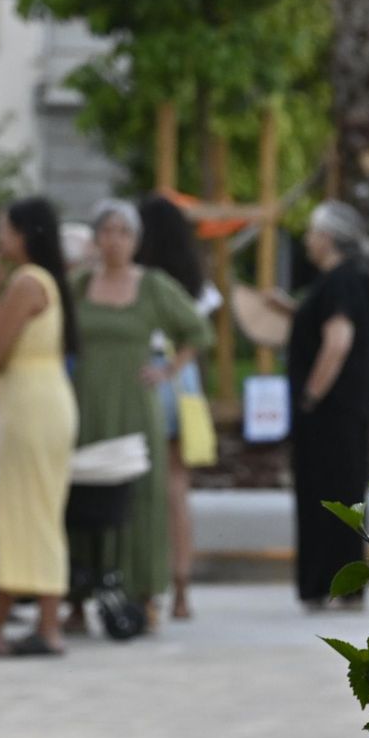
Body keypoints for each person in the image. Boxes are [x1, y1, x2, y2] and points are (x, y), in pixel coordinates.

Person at [71, 199, 209, 631]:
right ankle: (77, 597)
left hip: (135, 402)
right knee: (82, 495)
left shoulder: (152, 286)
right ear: (96, 238)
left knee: (143, 497)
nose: (114, 241)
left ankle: (145, 592)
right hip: (87, 403)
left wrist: (168, 369)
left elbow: (196, 330)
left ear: (136, 240)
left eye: (123, 232)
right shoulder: (77, 285)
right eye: (107, 231)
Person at [0, 198, 80, 656]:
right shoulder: (45, 281)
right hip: (43, 400)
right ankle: (33, 623)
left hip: (32, 406)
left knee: (26, 513)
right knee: (37, 512)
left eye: (5, 228)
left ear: (24, 234)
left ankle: (20, 626)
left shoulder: (26, 283)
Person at [286, 201, 369, 610]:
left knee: (330, 494)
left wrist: (311, 394)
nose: (308, 240)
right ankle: (336, 583)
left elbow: (337, 342)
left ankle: (332, 583)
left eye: (312, 232)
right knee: (336, 492)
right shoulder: (342, 281)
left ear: (328, 238)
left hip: (331, 413)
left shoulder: (340, 281)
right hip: (341, 411)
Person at [135, 194, 220, 619]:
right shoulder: (196, 280)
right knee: (177, 489)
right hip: (184, 381)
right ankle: (183, 589)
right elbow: (204, 324)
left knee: (145, 488)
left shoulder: (141, 280)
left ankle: (148, 588)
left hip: (149, 374)